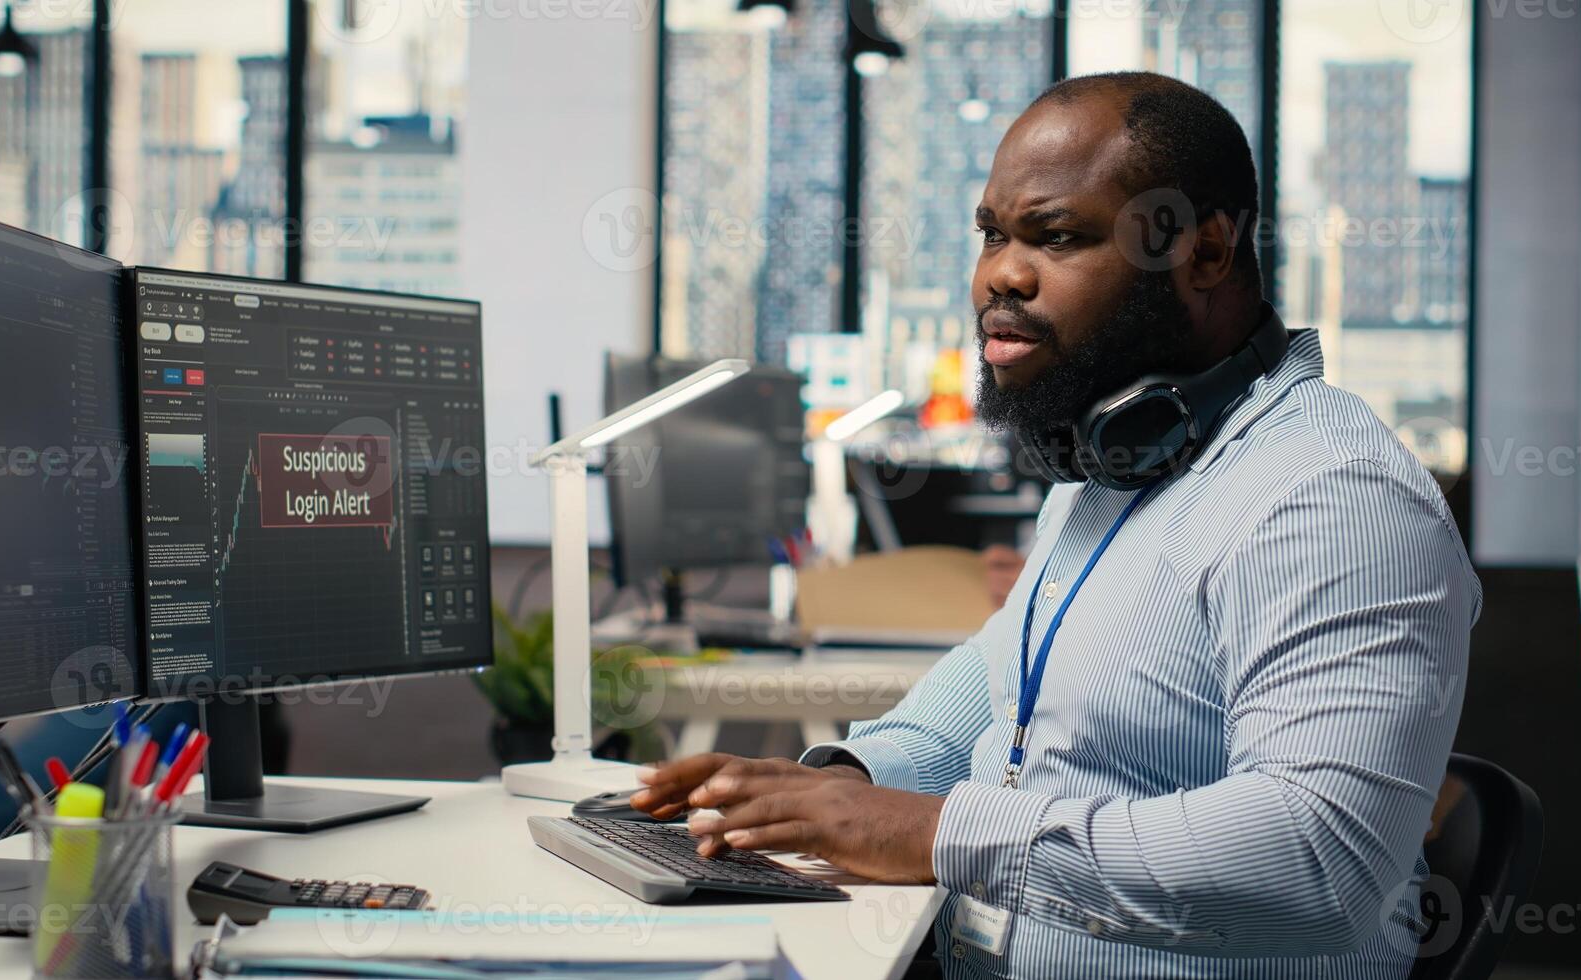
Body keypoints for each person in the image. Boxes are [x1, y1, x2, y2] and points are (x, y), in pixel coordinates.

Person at [632, 71, 1480, 978]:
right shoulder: (1108, 465)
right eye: (993, 233)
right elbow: (999, 703)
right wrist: (843, 782)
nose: (1001, 272)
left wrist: (933, 831)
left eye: (1059, 235)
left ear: (1204, 253)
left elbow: (1322, 864)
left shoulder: (1327, 496)